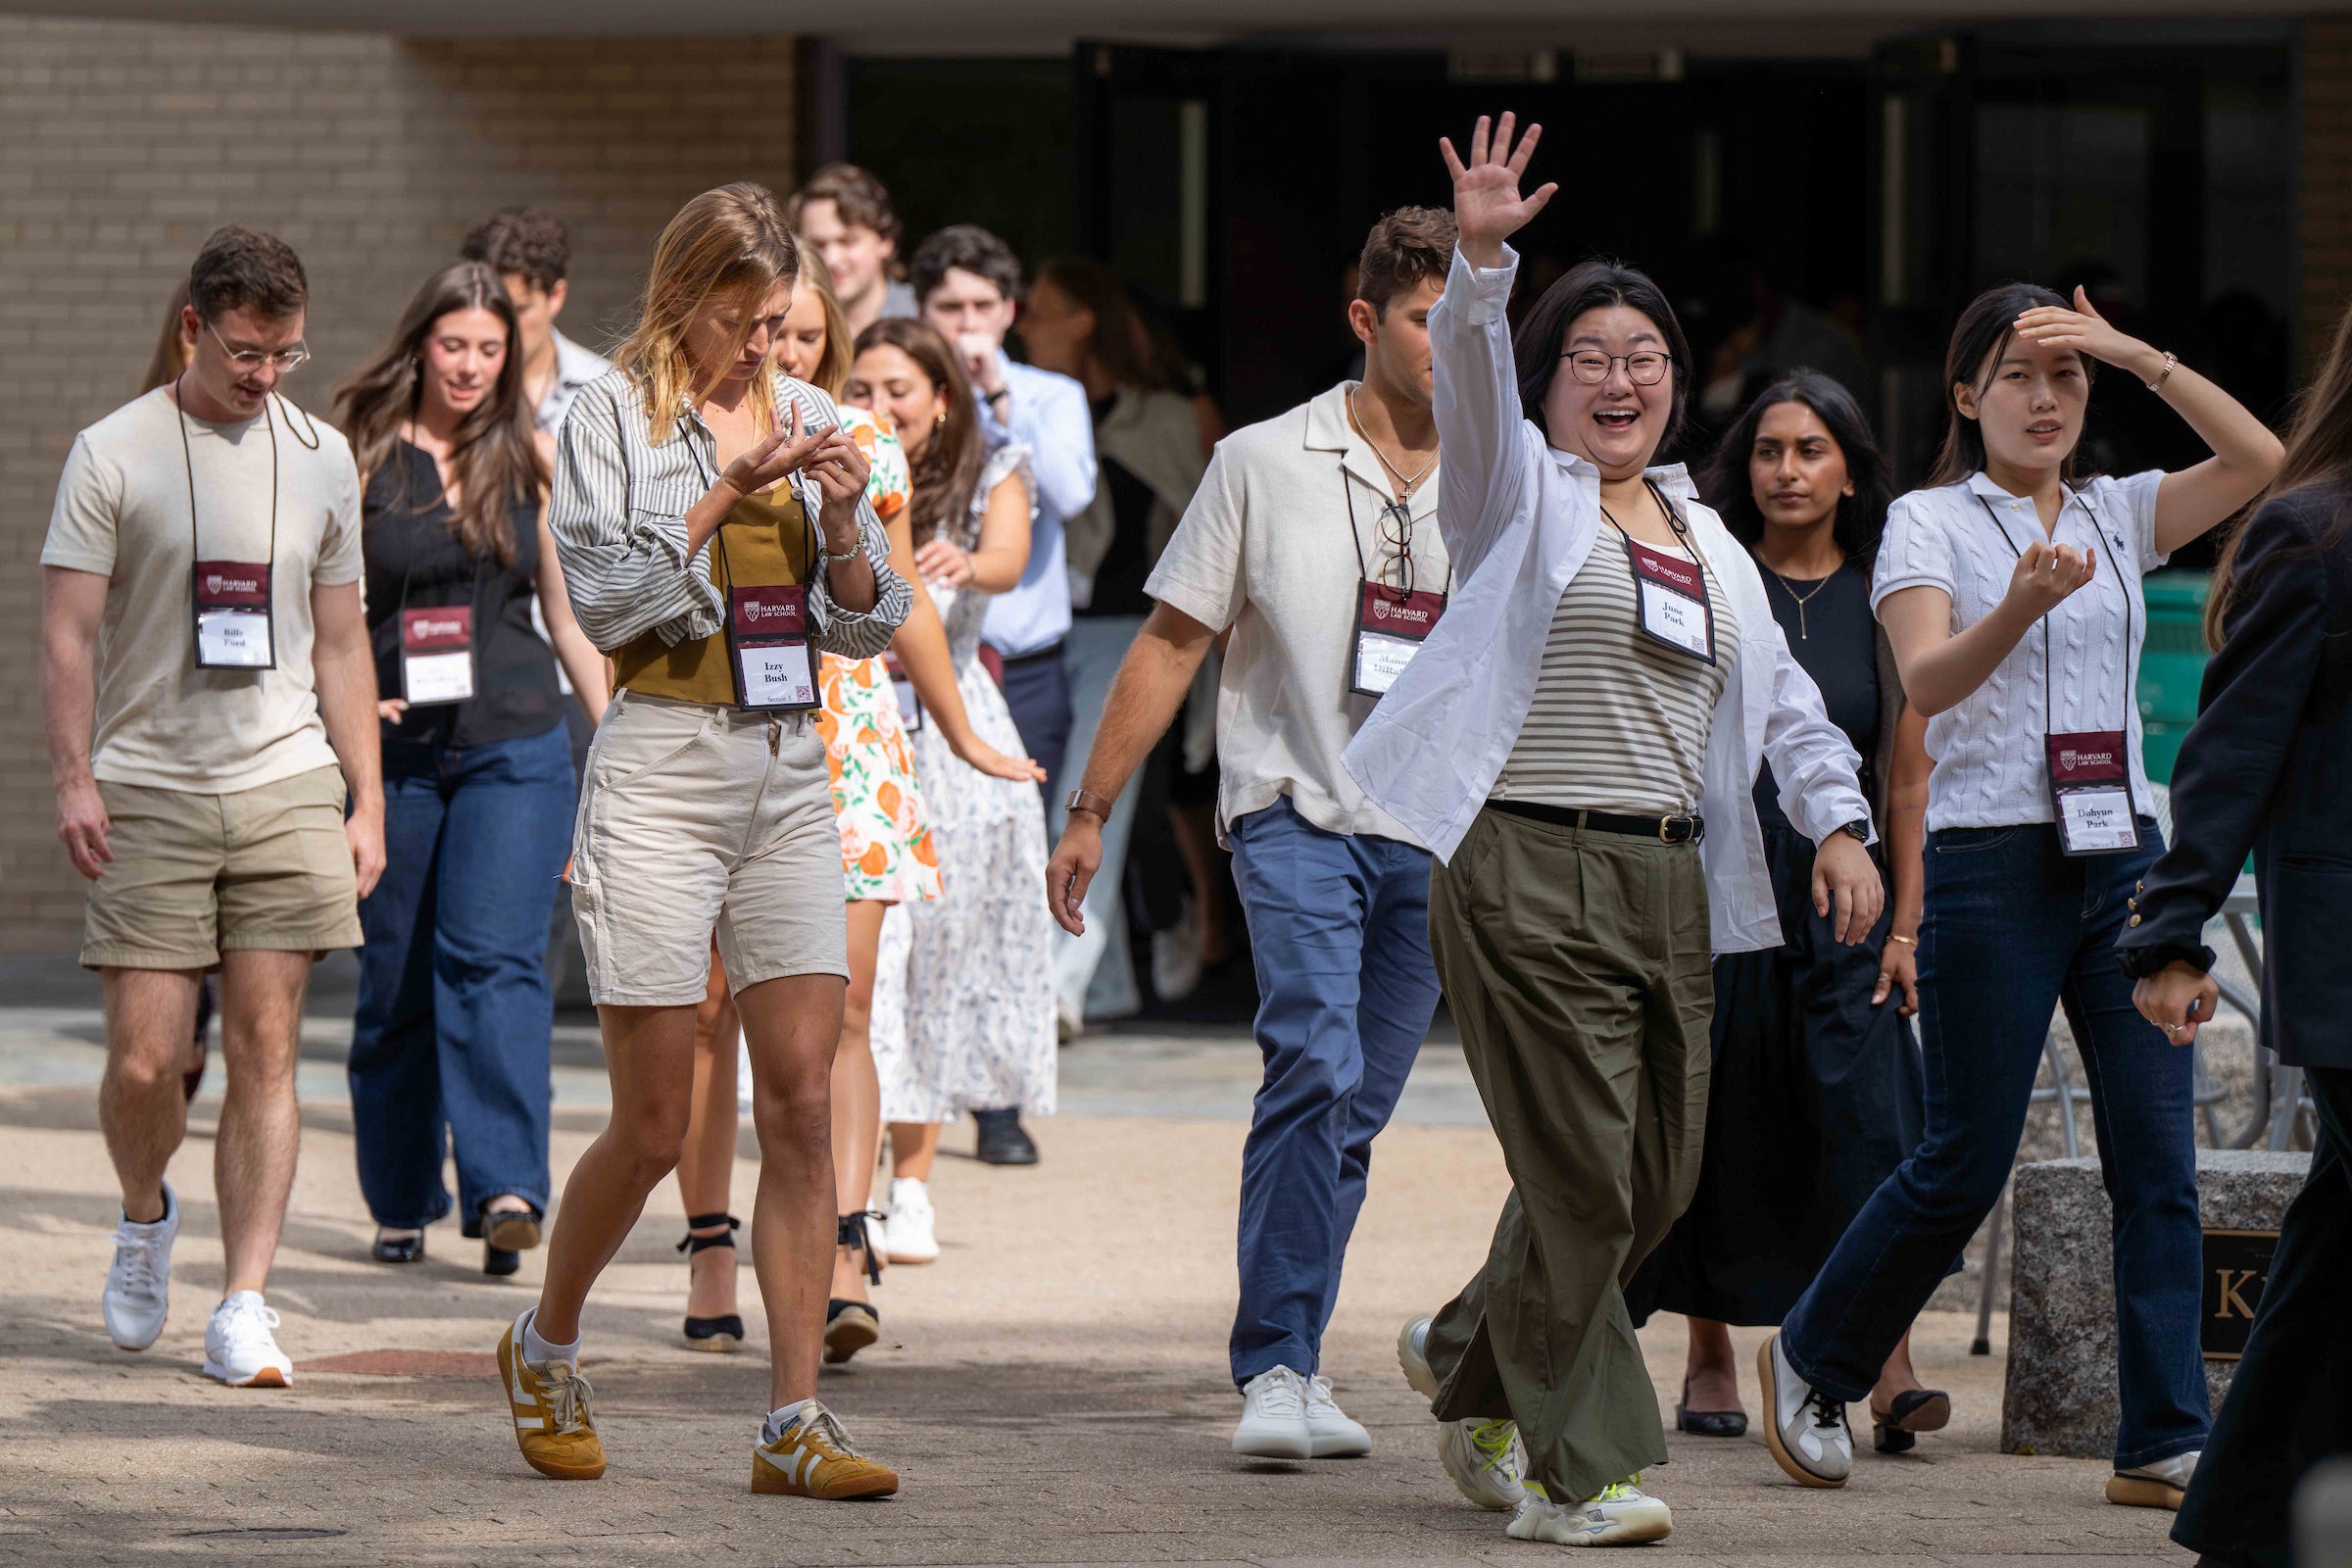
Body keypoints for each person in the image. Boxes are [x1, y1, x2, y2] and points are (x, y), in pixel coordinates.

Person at [1343, 116, 1884, 1546]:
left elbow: (1789, 717)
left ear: (1675, 387)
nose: (1622, 379)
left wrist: (1839, 828)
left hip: (1670, 876)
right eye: (1591, 357)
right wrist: (1480, 262)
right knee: (1584, 1168)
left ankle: (1473, 1349)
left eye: (1645, 360)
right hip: (1520, 855)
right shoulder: (1515, 487)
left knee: (1652, 1183)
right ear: (1550, 382)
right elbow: (1467, 370)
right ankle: (1580, 1475)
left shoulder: (1710, 542)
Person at [1756, 276, 2281, 1505]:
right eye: (2018, 378)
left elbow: (2257, 453)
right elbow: (1929, 683)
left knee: (2159, 1159)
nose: (2045, 400)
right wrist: (2021, 605)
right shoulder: (1928, 522)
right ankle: (1814, 1352)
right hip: (1995, 863)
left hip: (2129, 868)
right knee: (1964, 1158)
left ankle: (2159, 1433)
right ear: (1965, 396)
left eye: (2065, 379)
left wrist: (2133, 349)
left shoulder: (2118, 511)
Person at [506, 182, 910, 1497]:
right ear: (682, 299)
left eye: (781, 324)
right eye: (741, 322)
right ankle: (547, 1340)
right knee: (655, 1112)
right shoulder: (609, 415)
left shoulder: (809, 413)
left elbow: (865, 624)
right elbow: (618, 601)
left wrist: (843, 521)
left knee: (797, 1103)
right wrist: (726, 485)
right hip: (665, 765)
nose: (765, 351)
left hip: (793, 765)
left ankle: (792, 1421)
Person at [1045, 207, 1461, 1461]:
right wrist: (1090, 812)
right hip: (1292, 808)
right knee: (1314, 1063)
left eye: (1476, 326)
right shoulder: (1264, 460)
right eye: (1428, 322)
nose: (1454, 349)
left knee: (1360, 1105)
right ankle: (1275, 1364)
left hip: (1436, 830)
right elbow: (1173, 638)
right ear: (1366, 321)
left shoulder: (1509, 478)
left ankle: (1301, 1353)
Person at [670, 249, 1039, 1361]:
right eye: (766, 330)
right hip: (719, 715)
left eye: (803, 336)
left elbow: (901, 592)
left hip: (848, 728)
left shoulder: (856, 440)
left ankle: (844, 1245)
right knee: (710, 1007)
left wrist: (964, 731)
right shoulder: (679, 433)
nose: (782, 350)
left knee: (847, 1003)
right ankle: (709, 1246)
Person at [42, 224, 384, 1387]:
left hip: (286, 776)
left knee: (268, 1049)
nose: (265, 376)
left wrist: (364, 799)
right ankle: (145, 1216)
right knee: (147, 1064)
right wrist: (74, 776)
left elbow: (343, 640)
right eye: (246, 351)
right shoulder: (112, 451)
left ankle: (245, 1299)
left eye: (285, 353)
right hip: (148, 783)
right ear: (194, 326)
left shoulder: (323, 453)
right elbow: (67, 632)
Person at [1623, 372, 1945, 1451]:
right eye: (1769, 451)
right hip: (1720, 889)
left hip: (1849, 903)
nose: (1788, 470)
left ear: (1851, 469)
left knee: (1871, 1127)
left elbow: (1907, 776)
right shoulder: (1710, 571)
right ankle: (1709, 1348)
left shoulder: (1883, 597)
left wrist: (1907, 923)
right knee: (1716, 1123)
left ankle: (1880, 1354)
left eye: (1812, 450)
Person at [2118, 300, 2352, 1568]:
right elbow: (2227, 756)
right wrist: (2173, 929)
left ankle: (2245, 1512)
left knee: (2328, 1253)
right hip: (2348, 955)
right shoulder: (2315, 539)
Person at [332, 261, 611, 1277]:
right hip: (394, 756)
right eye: (454, 344)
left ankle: (506, 1188)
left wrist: (616, 737)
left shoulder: (528, 452)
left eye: (490, 349)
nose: (470, 365)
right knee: (396, 980)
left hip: (514, 739)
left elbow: (569, 618)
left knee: (497, 963)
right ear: (420, 344)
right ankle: (402, 1197)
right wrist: (349, 706)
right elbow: (322, 610)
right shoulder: (357, 453)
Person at [843, 318, 1054, 1266]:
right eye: (863, 387)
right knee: (861, 978)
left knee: (938, 967)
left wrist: (967, 561)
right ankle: (845, 1191)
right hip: (849, 719)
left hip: (951, 723)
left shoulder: (992, 466)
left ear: (939, 393)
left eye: (898, 389)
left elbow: (1007, 559)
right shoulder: (832, 463)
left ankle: (913, 1186)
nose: (878, 406)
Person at [914, 221, 1097, 1162]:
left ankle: (995, 1098)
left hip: (1022, 666)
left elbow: (1069, 493)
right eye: (951, 308)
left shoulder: (1049, 395)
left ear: (1011, 312)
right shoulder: (904, 393)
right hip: (920, 665)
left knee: (1012, 879)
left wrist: (995, 398)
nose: (970, 323)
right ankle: (907, 1077)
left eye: (985, 307)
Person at [1020, 257, 1207, 1028]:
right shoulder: (1022, 406)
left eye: (1035, 310)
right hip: (1040, 629)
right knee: (1041, 802)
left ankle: (1059, 988)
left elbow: (1211, 535)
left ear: (1082, 321)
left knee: (1092, 804)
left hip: (1133, 631)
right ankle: (1102, 987)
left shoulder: (1164, 416)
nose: (1019, 325)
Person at [463, 207, 613, 437]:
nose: (504, 325)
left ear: (555, 296)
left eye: (520, 309)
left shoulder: (604, 387)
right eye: (492, 308)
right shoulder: (456, 381)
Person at [787, 165, 915, 339]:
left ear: (886, 241)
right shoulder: (783, 322)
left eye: (847, 241)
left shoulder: (922, 317)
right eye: (817, 244)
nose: (831, 259)